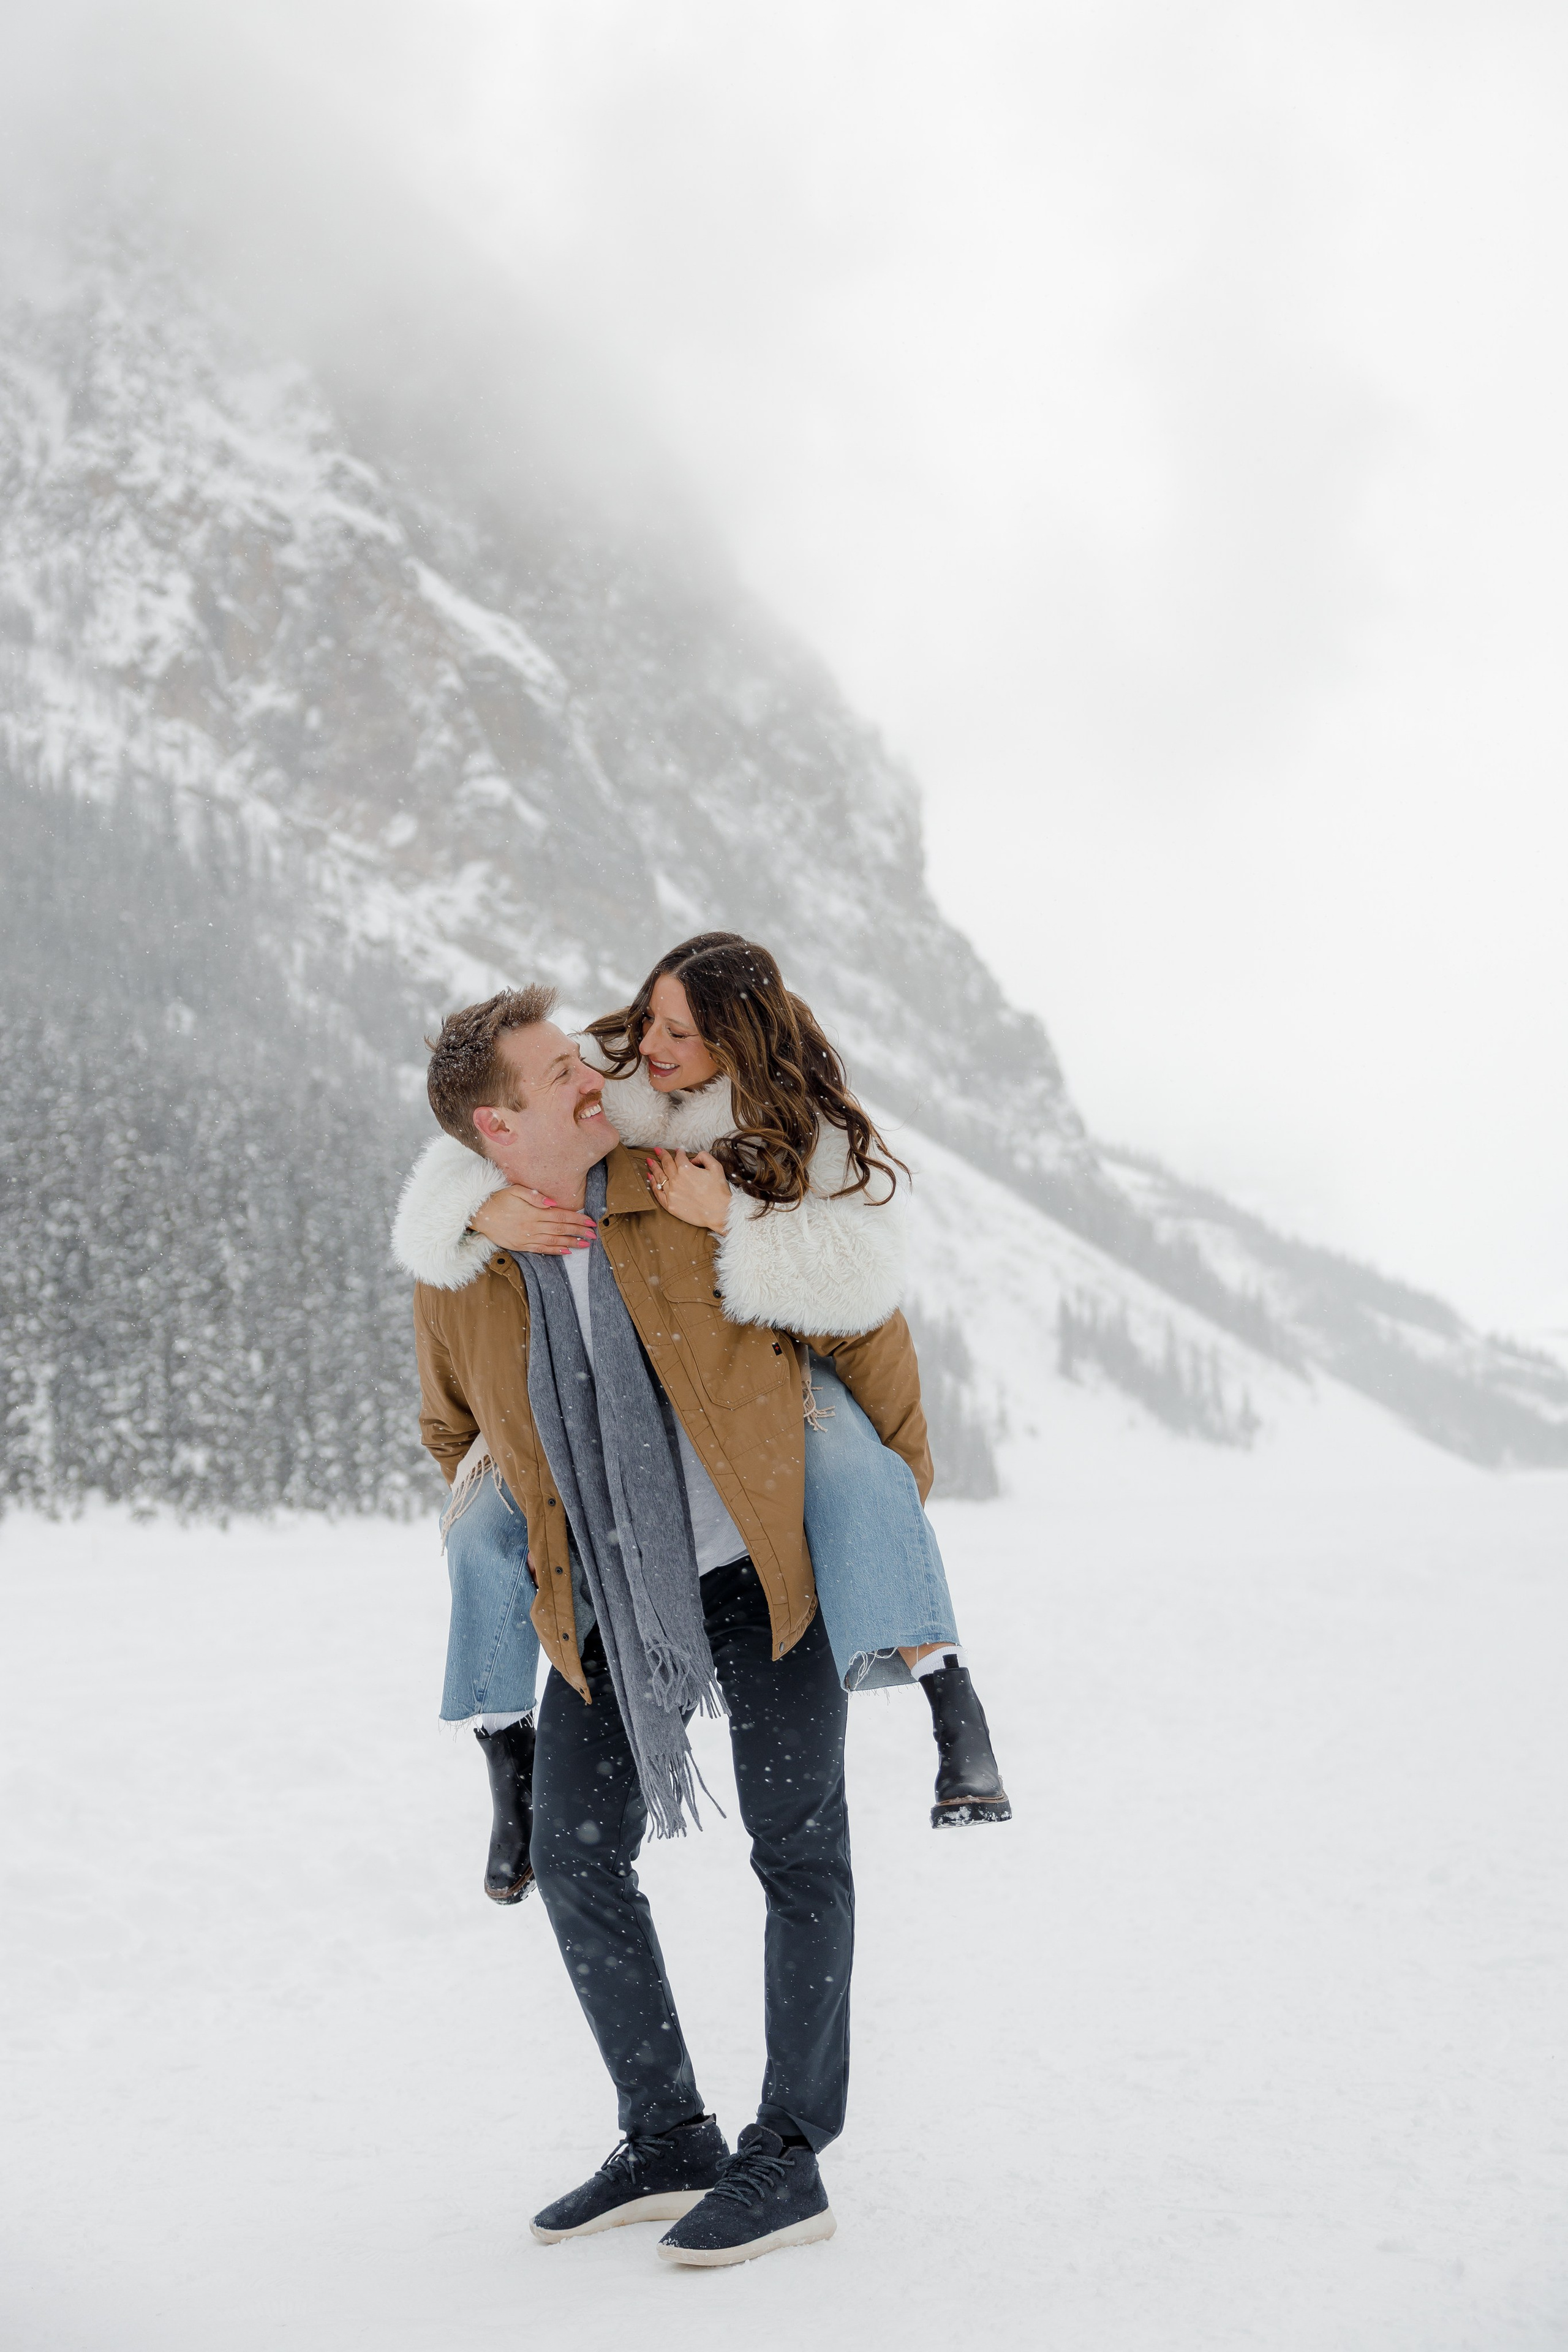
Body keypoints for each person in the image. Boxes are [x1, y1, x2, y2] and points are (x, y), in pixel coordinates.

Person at [412, 982, 929, 2263]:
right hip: (603, 1592)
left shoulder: (675, 1176)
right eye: (558, 1078)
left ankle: (790, 2154)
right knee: (573, 1851)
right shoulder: (467, 1264)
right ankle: (666, 2135)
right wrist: (537, 1528)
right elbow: (449, 1428)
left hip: (761, 1570)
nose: (595, 1076)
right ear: (494, 1129)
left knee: (793, 1846)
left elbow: (861, 1323)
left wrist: (887, 1499)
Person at [392, 933, 1010, 1905]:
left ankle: (949, 1693)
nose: (646, 1043)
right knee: (475, 1533)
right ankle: (502, 1746)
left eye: (682, 1030)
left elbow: (864, 1293)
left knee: (859, 1473)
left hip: (789, 1381)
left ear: (737, 1041)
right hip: (605, 1466)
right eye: (648, 1016)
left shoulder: (800, 1126)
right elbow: (481, 1134)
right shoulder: (621, 1079)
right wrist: (477, 1215)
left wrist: (742, 1222)